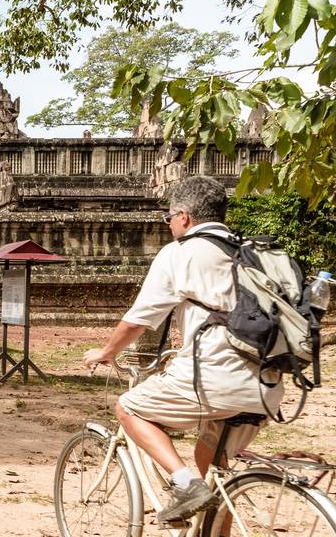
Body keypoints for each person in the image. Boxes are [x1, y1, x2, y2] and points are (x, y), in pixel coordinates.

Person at [82, 176, 281, 523]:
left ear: (184, 216)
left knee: (128, 408)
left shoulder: (181, 252)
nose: (169, 224)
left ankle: (184, 484)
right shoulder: (254, 252)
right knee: (212, 464)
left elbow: (138, 319)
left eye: (169, 217)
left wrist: (107, 351)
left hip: (215, 377)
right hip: (268, 386)